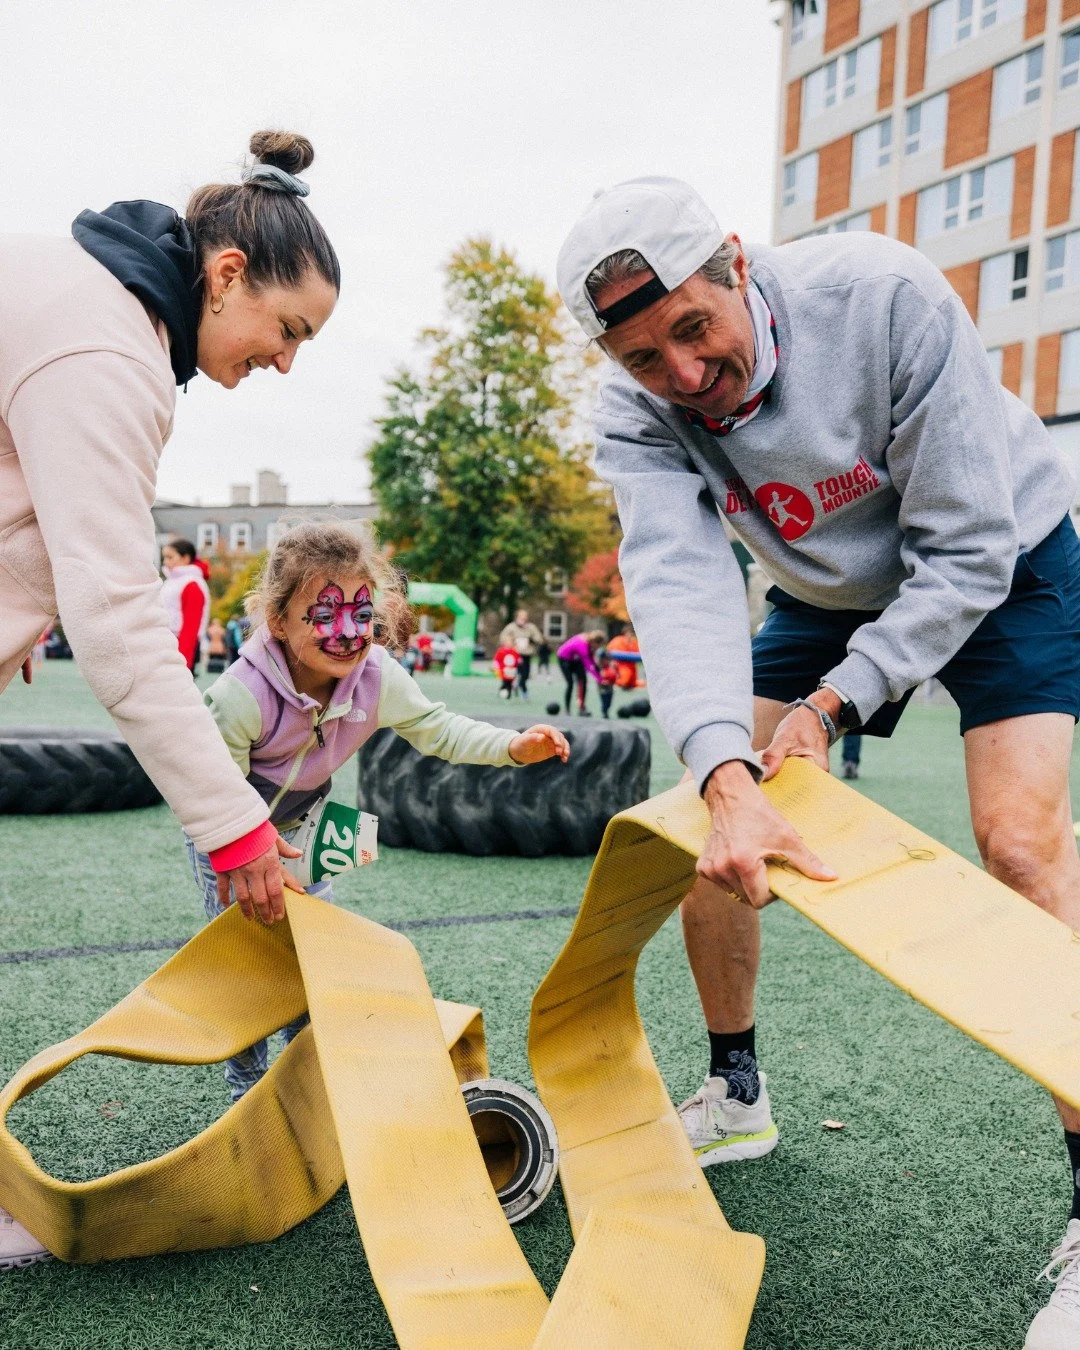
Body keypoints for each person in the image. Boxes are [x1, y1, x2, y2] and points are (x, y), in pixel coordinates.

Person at [557, 177, 1080, 1346]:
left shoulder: (886, 296)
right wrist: (725, 777)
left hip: (1005, 557)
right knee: (709, 825)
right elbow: (680, 590)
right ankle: (736, 1091)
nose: (684, 373)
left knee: (1022, 845)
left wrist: (837, 703)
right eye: (646, 359)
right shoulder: (634, 408)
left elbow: (965, 551)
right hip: (825, 585)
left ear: (739, 265)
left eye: (695, 328)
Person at [0, 129, 342, 1274]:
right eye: (288, 331)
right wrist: (237, 827)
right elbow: (116, 621)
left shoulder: (99, 308)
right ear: (228, 273)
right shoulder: (109, 349)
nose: (285, 362)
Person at [186, 521, 569, 1100]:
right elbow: (215, 788)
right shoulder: (242, 695)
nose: (347, 633)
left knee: (317, 956)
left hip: (304, 825)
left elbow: (439, 728)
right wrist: (240, 850)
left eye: (361, 613)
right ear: (278, 621)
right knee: (250, 961)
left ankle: (306, 1078)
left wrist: (513, 747)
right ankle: (246, 1085)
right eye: (324, 615)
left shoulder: (375, 677)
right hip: (234, 833)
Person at [160, 539, 210, 673]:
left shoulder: (192, 584)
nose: (165, 562)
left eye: (170, 557)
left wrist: (183, 662)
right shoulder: (172, 581)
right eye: (164, 557)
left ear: (185, 558)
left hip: (181, 647)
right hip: (168, 644)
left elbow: (191, 626)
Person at [557, 630, 605, 716]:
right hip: (564, 659)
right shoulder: (582, 645)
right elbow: (588, 665)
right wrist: (600, 680)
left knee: (583, 680)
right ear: (594, 642)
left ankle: (582, 709)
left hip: (576, 659)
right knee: (570, 683)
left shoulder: (589, 643)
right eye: (598, 645)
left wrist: (600, 676)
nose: (598, 648)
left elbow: (592, 661)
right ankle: (567, 709)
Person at [499, 609, 544, 700]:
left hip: (526, 655)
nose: (523, 619)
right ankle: (506, 690)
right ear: (517, 617)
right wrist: (511, 642)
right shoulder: (511, 627)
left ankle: (520, 685)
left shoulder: (531, 628)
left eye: (525, 617)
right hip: (513, 655)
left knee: (525, 675)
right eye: (521, 617)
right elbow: (503, 638)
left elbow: (539, 639)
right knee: (509, 674)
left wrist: (531, 639)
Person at [606, 624, 643, 689]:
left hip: (631, 666)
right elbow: (609, 652)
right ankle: (614, 681)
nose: (630, 635)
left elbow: (639, 654)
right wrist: (612, 662)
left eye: (632, 634)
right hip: (621, 665)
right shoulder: (617, 640)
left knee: (633, 682)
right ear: (625, 633)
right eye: (629, 633)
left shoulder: (634, 643)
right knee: (625, 680)